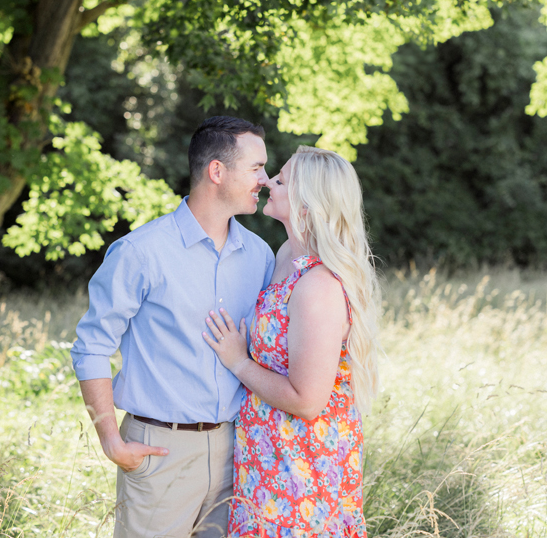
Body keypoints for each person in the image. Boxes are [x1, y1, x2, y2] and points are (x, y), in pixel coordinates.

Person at [71, 116, 276, 538]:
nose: (265, 179)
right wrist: (111, 438)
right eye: (256, 167)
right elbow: (91, 347)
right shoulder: (140, 252)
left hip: (238, 450)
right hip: (159, 450)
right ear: (216, 171)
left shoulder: (261, 256)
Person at [204, 145, 381, 538]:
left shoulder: (318, 286)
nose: (267, 181)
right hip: (269, 458)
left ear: (306, 205)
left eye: (280, 180)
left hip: (302, 468)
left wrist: (238, 362)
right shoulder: (286, 255)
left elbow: (307, 399)